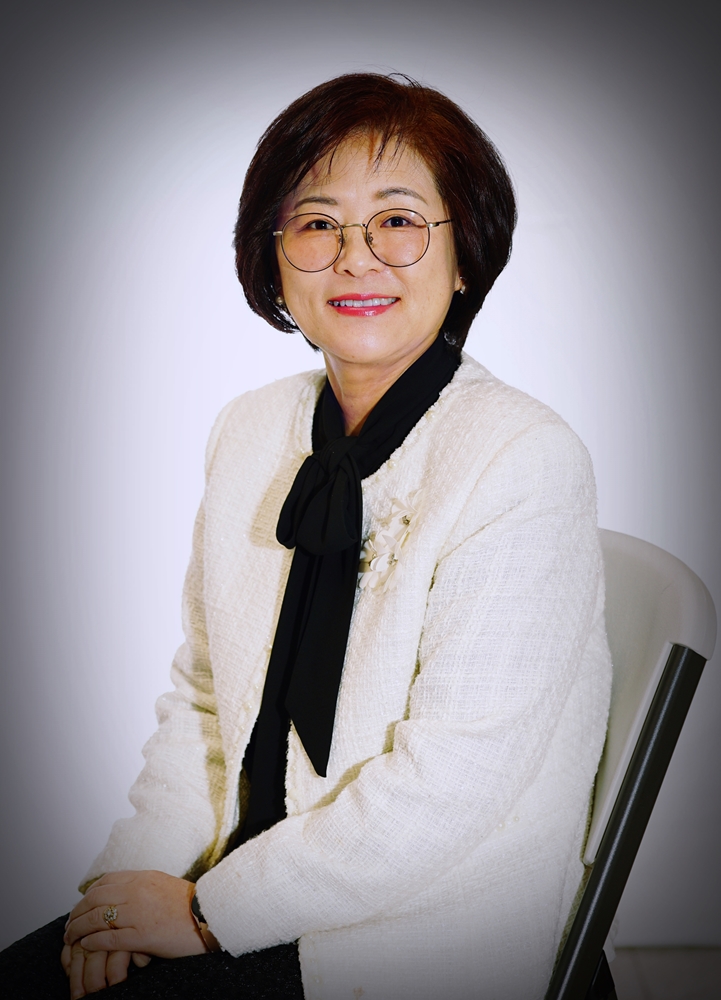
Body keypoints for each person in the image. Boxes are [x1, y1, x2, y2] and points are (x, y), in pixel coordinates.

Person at [1, 73, 612, 1000]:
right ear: (275, 258)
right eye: (318, 224)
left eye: (398, 221)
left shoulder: (521, 457)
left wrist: (205, 916)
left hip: (411, 935)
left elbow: (450, 785)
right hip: (234, 884)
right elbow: (205, 697)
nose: (356, 259)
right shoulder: (250, 430)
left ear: (464, 256)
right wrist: (128, 887)